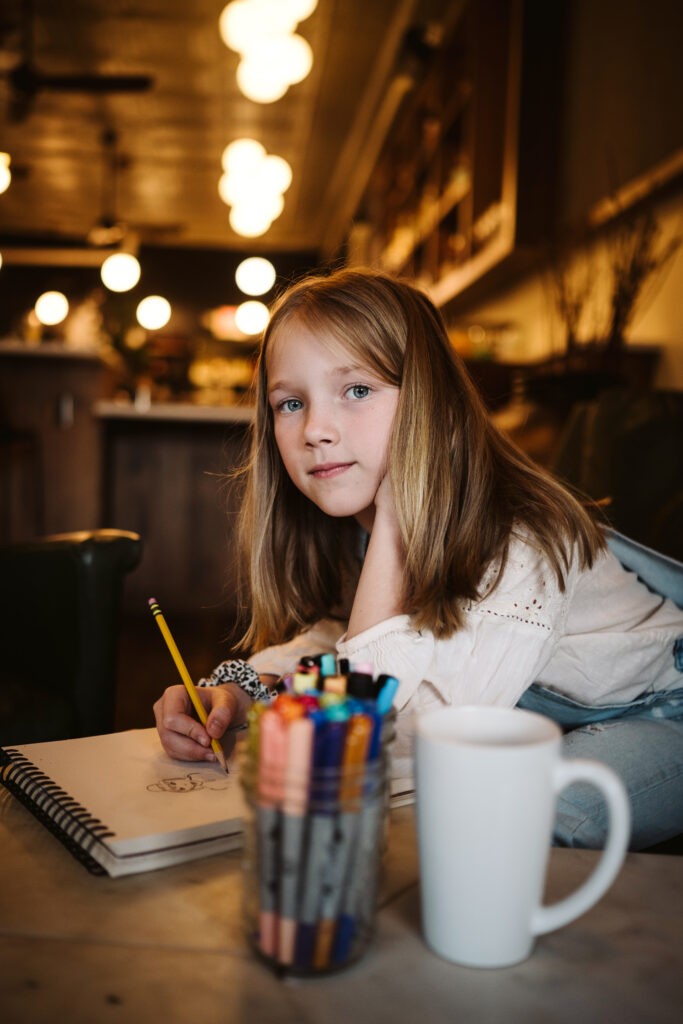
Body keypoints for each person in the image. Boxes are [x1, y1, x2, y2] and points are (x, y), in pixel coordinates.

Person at [154, 267, 683, 850]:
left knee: (530, 810)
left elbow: (402, 732)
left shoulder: (522, 541)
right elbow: (339, 642)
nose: (316, 430)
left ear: (430, 403)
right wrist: (241, 691)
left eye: (357, 390)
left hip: (659, 713)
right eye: (290, 403)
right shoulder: (355, 523)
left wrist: (397, 523)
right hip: (529, 708)